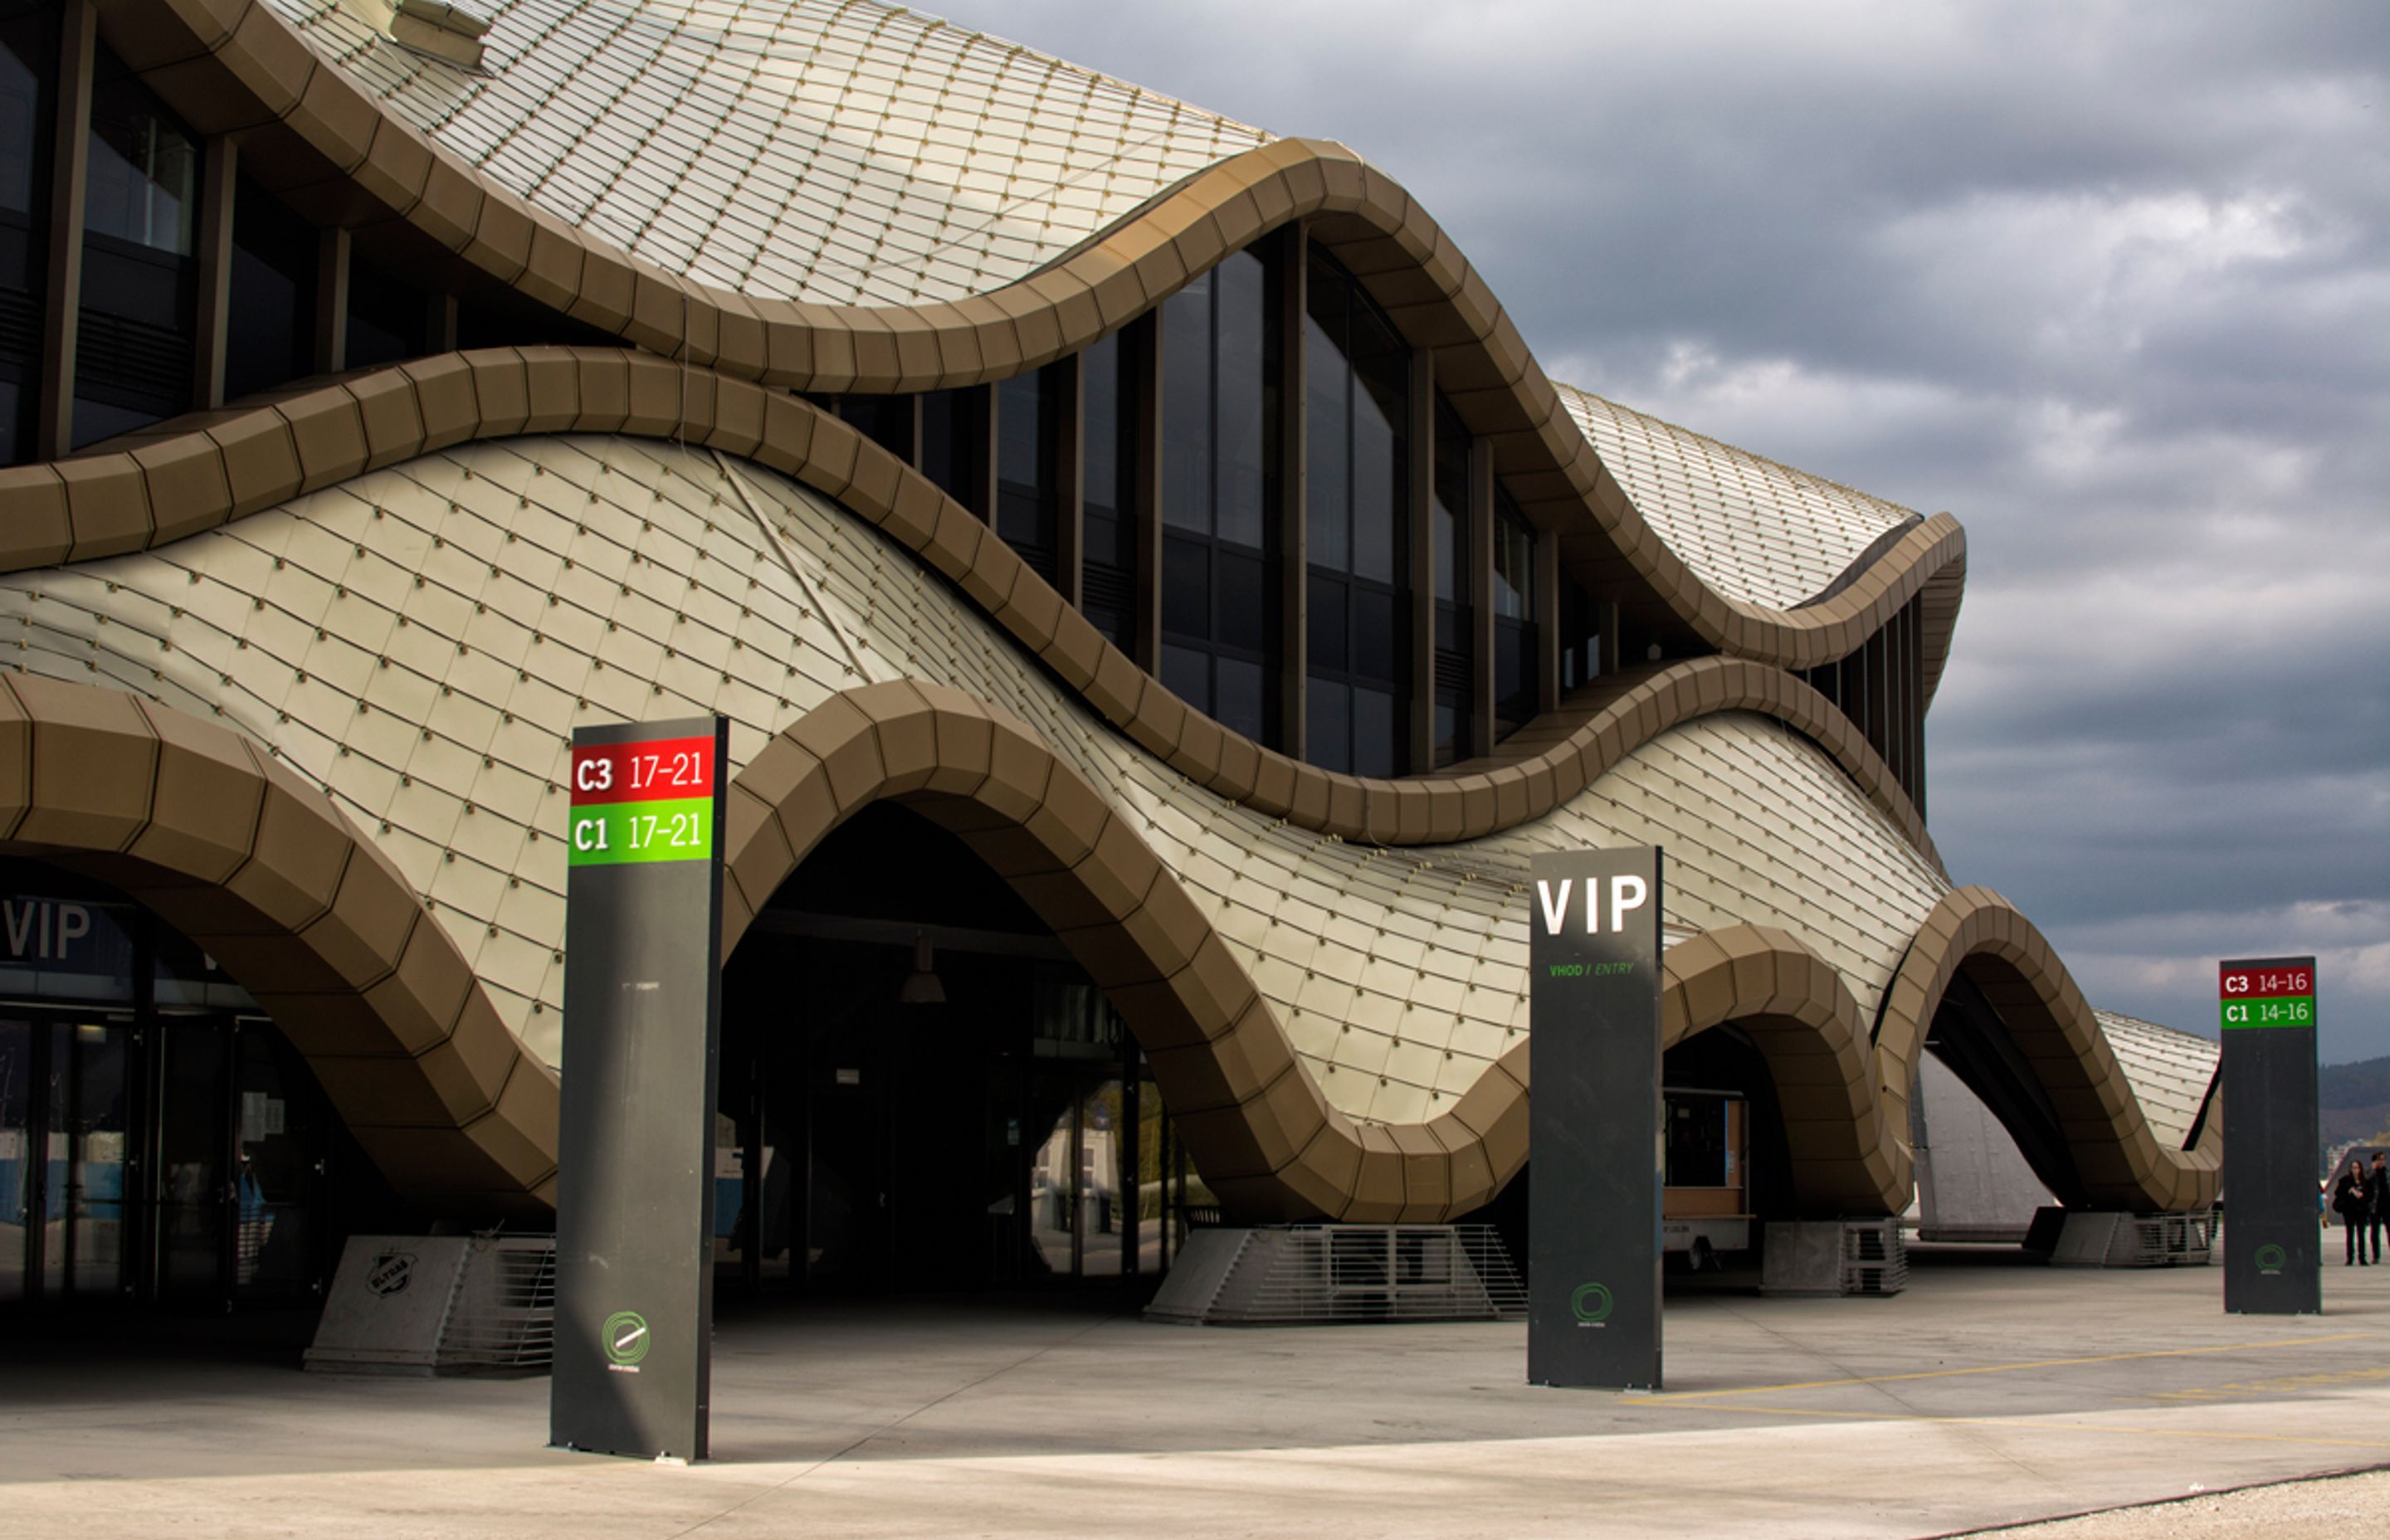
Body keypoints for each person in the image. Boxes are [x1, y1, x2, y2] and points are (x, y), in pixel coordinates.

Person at [2329, 1157, 2371, 1265]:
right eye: (2353, 1168)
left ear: (2361, 1169)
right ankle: (2350, 1258)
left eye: (2357, 1168)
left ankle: (2362, 1258)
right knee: (2350, 1234)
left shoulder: (2366, 1181)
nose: (2355, 1170)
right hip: (2349, 1210)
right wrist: (2349, 1191)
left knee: (2361, 1234)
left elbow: (2371, 1196)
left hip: (2361, 1210)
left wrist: (2363, 1195)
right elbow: (2338, 1193)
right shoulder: (2344, 1181)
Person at [2370, 1151, 2387, 1265]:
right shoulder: (2371, 1174)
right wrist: (2373, 1171)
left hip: (2388, 1206)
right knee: (2375, 1232)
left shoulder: (2388, 1173)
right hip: (2375, 1207)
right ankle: (2376, 1256)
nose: (2382, 1162)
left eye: (2383, 1159)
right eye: (2379, 1159)